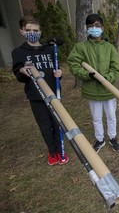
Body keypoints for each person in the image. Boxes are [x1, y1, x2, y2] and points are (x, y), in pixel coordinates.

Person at [11, 16, 69, 166]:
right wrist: (23, 71)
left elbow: (55, 70)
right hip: (36, 96)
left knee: (57, 122)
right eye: (28, 30)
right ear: (22, 31)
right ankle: (52, 152)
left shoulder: (49, 49)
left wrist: (59, 74)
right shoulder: (19, 52)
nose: (32, 33)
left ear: (40, 32)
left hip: (54, 93)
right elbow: (19, 75)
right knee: (45, 125)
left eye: (35, 30)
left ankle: (61, 150)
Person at [67, 14, 119, 153]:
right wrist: (86, 75)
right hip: (92, 91)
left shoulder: (109, 48)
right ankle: (100, 139)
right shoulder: (81, 47)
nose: (94, 28)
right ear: (86, 28)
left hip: (109, 90)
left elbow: (116, 69)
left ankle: (113, 137)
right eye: (91, 26)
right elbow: (73, 63)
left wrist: (106, 78)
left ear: (102, 28)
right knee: (96, 118)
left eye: (97, 25)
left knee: (111, 116)